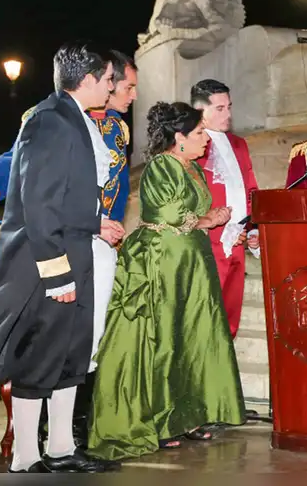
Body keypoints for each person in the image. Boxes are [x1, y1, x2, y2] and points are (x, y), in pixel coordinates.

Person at [0, 51, 139, 449]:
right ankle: (23, 434)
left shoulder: (118, 129)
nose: (130, 94)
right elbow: (12, 165)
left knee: (87, 344)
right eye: (126, 86)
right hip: (58, 244)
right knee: (40, 343)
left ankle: (68, 431)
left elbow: (117, 188)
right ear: (102, 81)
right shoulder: (49, 118)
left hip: (99, 245)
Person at [88, 101, 246, 461]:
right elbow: (170, 214)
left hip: (191, 260)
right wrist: (208, 219)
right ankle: (158, 421)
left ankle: (187, 415)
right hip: (164, 261)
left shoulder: (193, 167)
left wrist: (210, 217)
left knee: (193, 337)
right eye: (200, 133)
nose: (206, 139)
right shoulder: (162, 165)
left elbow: (192, 212)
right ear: (179, 138)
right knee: (165, 339)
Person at [191, 79, 260, 338]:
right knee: (202, 318)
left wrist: (253, 229)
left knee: (230, 320)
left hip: (239, 241)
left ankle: (223, 373)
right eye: (219, 109)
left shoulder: (239, 144)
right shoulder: (191, 145)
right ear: (200, 111)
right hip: (207, 244)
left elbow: (251, 189)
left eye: (229, 107)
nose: (228, 114)